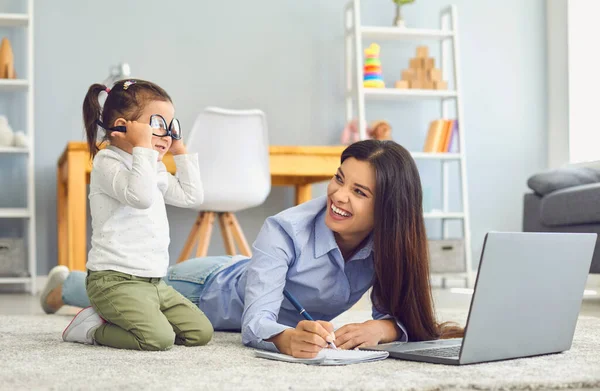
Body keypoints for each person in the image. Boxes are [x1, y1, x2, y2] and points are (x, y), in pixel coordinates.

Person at [43, 139, 462, 358]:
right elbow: (256, 320)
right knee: (128, 288)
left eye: (359, 191)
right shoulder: (286, 229)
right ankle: (68, 284)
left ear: (389, 209)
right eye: (339, 179)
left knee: (130, 297)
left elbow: (401, 315)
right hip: (205, 287)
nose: (339, 195)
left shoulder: (387, 245)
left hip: (244, 272)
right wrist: (282, 339)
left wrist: (383, 327)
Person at [59, 79, 213, 351]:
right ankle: (91, 328)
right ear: (121, 126)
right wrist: (143, 149)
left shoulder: (151, 166)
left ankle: (136, 316)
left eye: (170, 126)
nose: (167, 135)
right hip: (113, 280)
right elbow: (140, 197)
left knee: (200, 332)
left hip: (153, 280)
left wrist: (180, 153)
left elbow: (191, 197)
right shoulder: (108, 164)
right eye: (157, 125)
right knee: (158, 339)